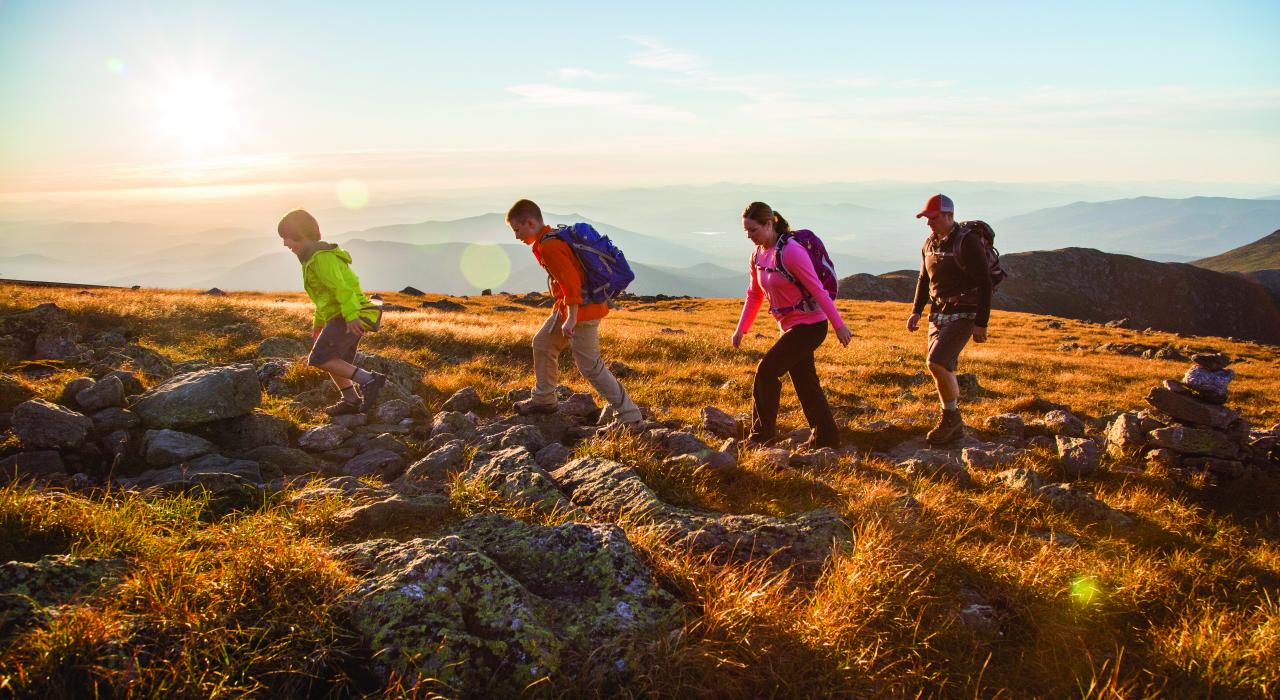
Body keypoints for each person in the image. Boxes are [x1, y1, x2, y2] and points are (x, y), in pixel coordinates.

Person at [505, 199, 643, 427]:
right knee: (543, 344)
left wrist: (571, 317)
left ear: (530, 223)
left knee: (591, 367)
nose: (516, 236)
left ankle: (630, 416)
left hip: (582, 312)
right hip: (573, 308)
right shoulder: (550, 239)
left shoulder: (550, 246)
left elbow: (571, 283)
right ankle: (544, 399)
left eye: (517, 229)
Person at [733, 202, 852, 450]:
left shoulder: (790, 252)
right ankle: (827, 437)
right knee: (805, 382)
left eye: (753, 230)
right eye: (746, 231)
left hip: (811, 326)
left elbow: (817, 290)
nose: (749, 236)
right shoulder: (757, 255)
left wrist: (839, 325)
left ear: (769, 224)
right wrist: (741, 329)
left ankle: (761, 436)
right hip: (789, 327)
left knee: (766, 371)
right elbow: (754, 294)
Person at [277, 209, 387, 416]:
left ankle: (369, 380)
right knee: (335, 361)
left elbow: (341, 289)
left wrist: (351, 316)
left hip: (345, 315)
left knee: (320, 358)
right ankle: (351, 400)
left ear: (301, 233)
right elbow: (323, 297)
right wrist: (319, 323)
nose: (285, 243)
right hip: (340, 315)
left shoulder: (321, 258)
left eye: (287, 237)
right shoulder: (310, 258)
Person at [906, 194, 993, 445]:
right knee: (942, 367)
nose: (928, 223)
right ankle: (953, 421)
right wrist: (916, 311)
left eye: (933, 218)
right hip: (938, 313)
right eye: (926, 218)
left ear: (949, 216)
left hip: (964, 313)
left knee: (937, 362)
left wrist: (981, 322)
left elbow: (985, 283)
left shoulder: (967, 242)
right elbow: (924, 279)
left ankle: (951, 418)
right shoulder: (929, 243)